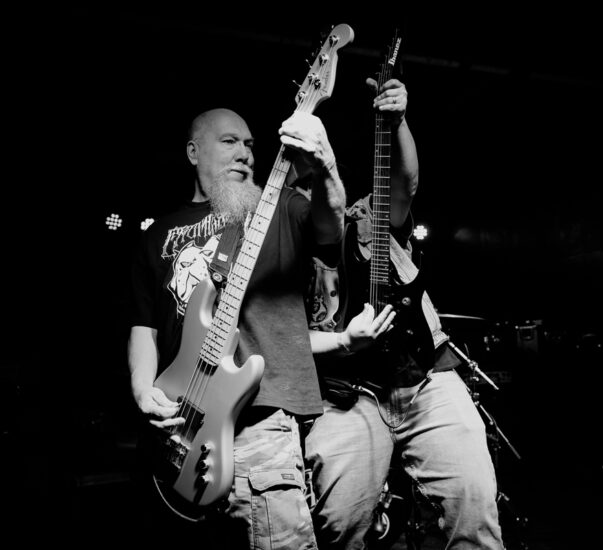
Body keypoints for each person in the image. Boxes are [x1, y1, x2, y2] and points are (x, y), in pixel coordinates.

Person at [128, 106, 348, 549]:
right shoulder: (159, 233)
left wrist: (325, 164)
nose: (245, 153)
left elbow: (331, 228)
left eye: (249, 144)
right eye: (229, 141)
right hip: (178, 426)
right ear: (193, 152)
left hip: (258, 421)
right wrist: (142, 389)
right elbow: (144, 326)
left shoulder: (279, 206)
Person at [304, 78, 506, 549]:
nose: (314, 192)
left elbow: (404, 185)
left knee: (473, 506)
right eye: (304, 184)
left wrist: (396, 124)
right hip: (348, 396)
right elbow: (282, 340)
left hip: (425, 380)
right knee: (337, 525)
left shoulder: (367, 216)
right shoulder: (286, 248)